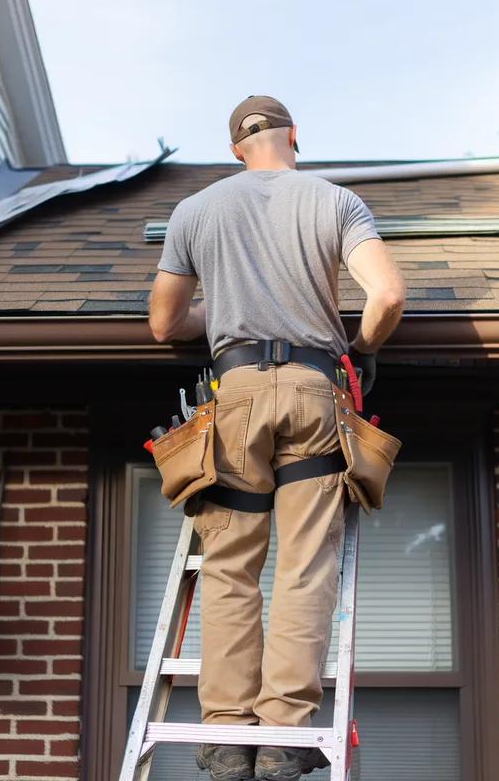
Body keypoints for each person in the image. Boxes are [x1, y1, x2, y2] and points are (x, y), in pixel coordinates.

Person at [149, 95, 405, 781]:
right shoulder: (335, 201)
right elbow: (386, 296)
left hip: (232, 397)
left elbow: (164, 322)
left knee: (230, 566)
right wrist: (362, 345)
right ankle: (284, 736)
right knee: (304, 566)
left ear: (237, 148)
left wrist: (231, 303)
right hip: (313, 391)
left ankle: (228, 738)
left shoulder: (195, 212)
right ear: (295, 136)